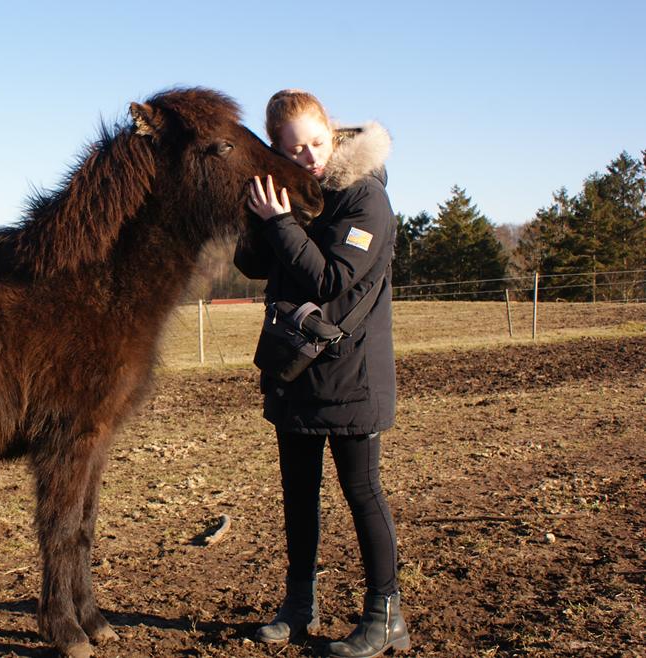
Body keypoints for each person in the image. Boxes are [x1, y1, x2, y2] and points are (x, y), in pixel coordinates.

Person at [233, 89, 409, 657]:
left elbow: (331, 279)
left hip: (352, 375)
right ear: (278, 152)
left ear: (332, 134)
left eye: (315, 142)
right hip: (297, 371)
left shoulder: (365, 200)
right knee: (298, 495)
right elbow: (254, 263)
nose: (309, 156)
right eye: (294, 149)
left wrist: (280, 221)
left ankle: (386, 616)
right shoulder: (298, 198)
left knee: (362, 493)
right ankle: (298, 606)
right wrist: (259, 216)